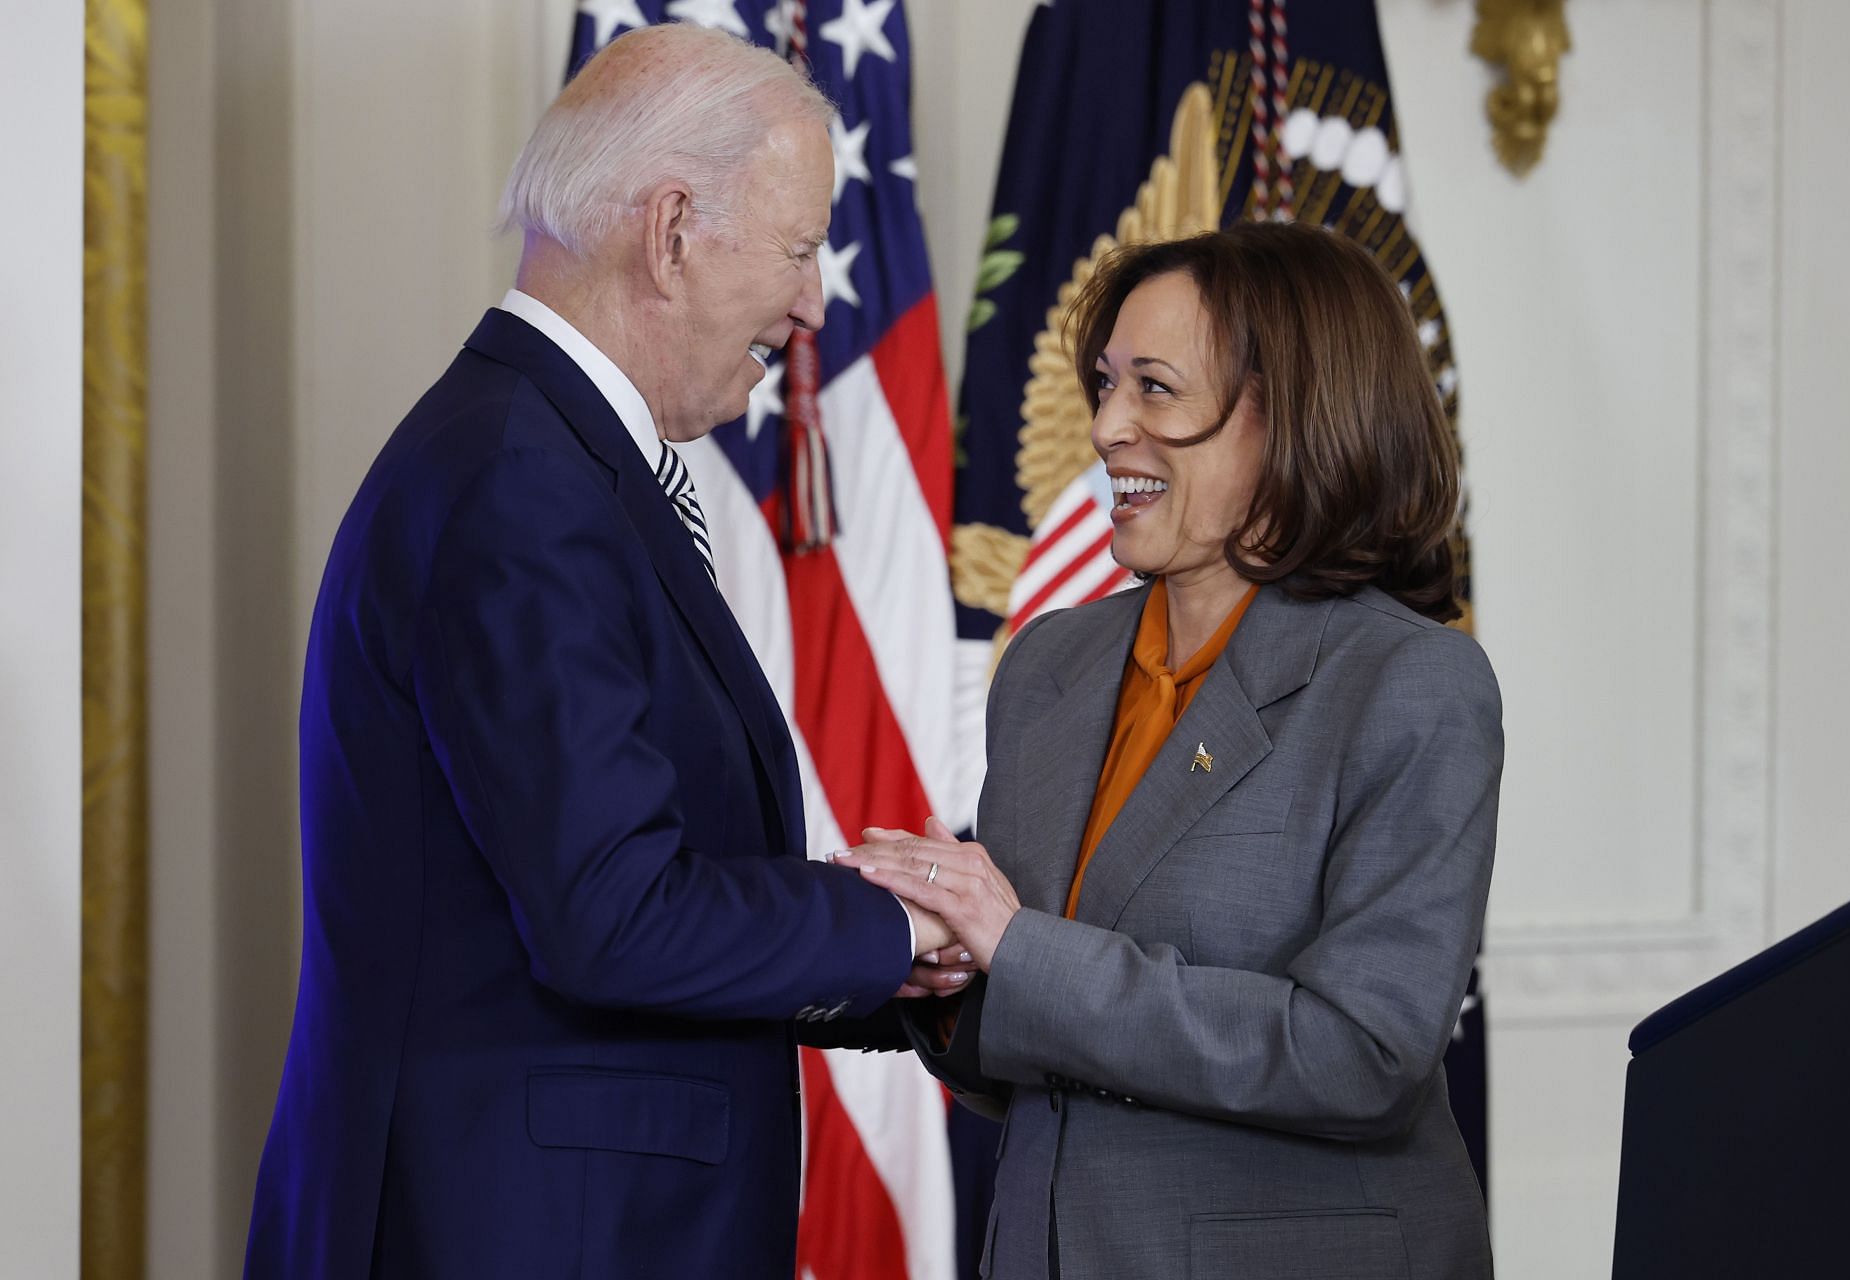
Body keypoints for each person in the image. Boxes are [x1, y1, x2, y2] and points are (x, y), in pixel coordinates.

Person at [243, 25, 968, 1280]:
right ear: (674, 228)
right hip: (519, 1235)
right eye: (799, 250)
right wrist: (902, 923)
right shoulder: (523, 481)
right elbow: (615, 913)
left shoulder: (539, 453)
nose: (812, 302)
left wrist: (931, 974)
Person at [841, 221, 1504, 1280]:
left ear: (1293, 415)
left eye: (1154, 387)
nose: (1106, 427)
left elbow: (1362, 1054)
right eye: (1106, 383)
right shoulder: (1049, 667)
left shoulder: (1410, 683)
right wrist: (943, 965)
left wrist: (1017, 944)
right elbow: (1037, 1033)